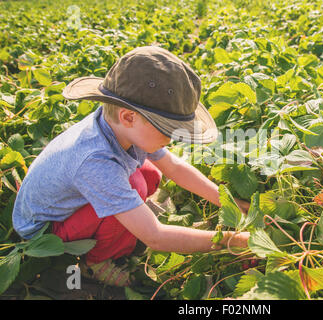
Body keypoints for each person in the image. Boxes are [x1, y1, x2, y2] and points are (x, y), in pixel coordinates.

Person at [12, 46, 250, 287]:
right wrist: (239, 241)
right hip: (46, 229)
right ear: (128, 117)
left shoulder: (123, 126)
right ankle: (95, 262)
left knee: (147, 174)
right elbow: (155, 238)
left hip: (73, 201)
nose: (172, 138)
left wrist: (228, 202)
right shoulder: (95, 161)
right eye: (167, 129)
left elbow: (174, 167)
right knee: (132, 190)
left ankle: (132, 217)